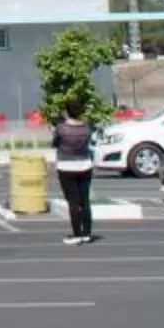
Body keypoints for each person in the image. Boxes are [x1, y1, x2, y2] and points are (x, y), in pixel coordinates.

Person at [51, 102, 98, 245]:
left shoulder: (61, 128)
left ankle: (77, 234)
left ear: (67, 112)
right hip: (85, 165)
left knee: (73, 202)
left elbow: (55, 143)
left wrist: (55, 128)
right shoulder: (87, 127)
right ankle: (87, 233)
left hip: (66, 167)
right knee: (85, 201)